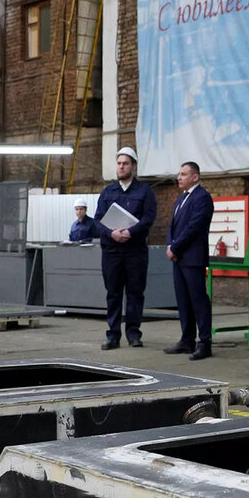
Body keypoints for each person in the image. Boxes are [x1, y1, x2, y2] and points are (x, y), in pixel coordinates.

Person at [94, 147, 157, 350]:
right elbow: (98, 220)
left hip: (135, 251)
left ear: (134, 166)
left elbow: (149, 217)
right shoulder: (107, 192)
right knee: (113, 293)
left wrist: (131, 232)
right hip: (112, 251)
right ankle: (113, 335)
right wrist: (111, 233)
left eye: (125, 163)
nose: (121, 167)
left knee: (135, 293)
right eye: (119, 163)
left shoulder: (144, 192)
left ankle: (133, 334)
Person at [163, 161, 216, 361]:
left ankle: (204, 343)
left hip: (192, 258)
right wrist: (170, 245)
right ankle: (187, 340)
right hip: (178, 258)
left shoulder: (202, 198)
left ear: (195, 177)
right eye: (179, 174)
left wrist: (175, 247)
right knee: (183, 301)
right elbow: (173, 226)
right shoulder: (181, 198)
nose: (179, 177)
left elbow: (194, 227)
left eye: (183, 174)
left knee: (198, 300)